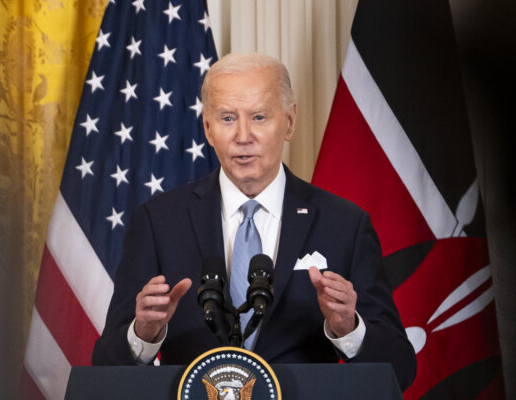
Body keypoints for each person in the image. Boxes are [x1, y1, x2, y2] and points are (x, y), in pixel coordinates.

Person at [92, 53, 416, 391]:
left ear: (289, 122)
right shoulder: (158, 222)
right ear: (208, 127)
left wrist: (349, 329)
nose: (243, 135)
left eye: (259, 117)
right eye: (228, 118)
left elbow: (401, 370)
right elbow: (104, 370)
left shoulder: (344, 225)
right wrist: (143, 334)